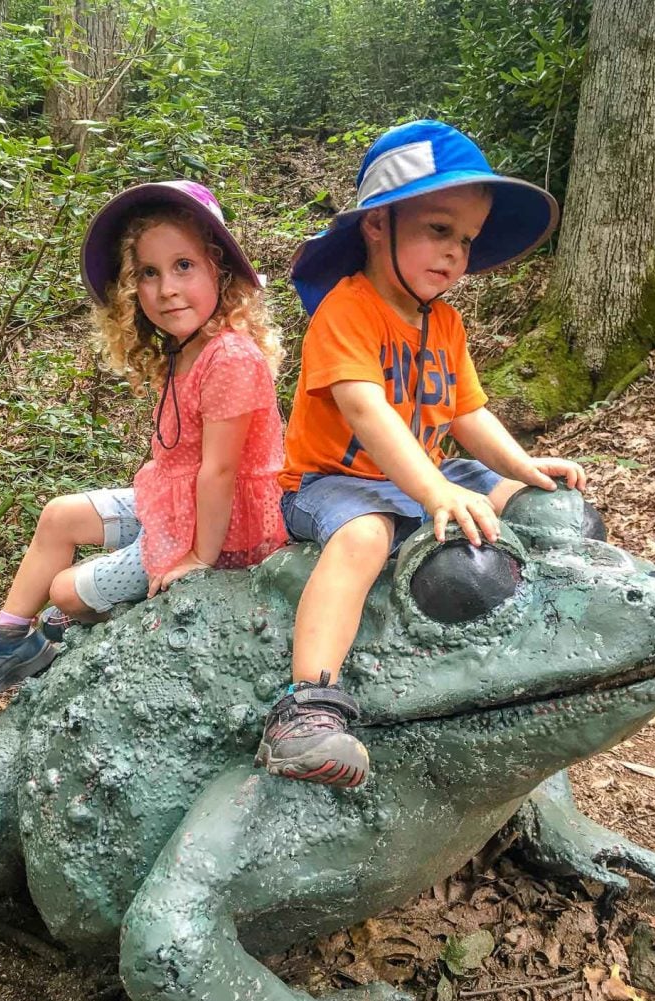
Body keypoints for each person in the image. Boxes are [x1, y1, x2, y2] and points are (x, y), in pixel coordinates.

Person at [253, 120, 586, 790]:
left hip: (426, 474)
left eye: (465, 239)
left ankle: (551, 626)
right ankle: (306, 706)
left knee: (540, 505)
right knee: (364, 534)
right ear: (378, 226)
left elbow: (467, 414)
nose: (455, 253)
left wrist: (522, 469)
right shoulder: (347, 311)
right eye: (439, 229)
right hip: (334, 480)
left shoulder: (446, 322)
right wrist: (435, 491)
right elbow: (365, 412)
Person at [0, 180, 287, 713]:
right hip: (176, 504)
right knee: (59, 517)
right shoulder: (183, 349)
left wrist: (197, 557)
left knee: (65, 592)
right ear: (132, 288)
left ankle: (76, 617)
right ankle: (9, 638)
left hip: (222, 528)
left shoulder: (230, 358)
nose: (166, 288)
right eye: (148, 273)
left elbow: (219, 473)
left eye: (184, 266)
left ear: (220, 270)